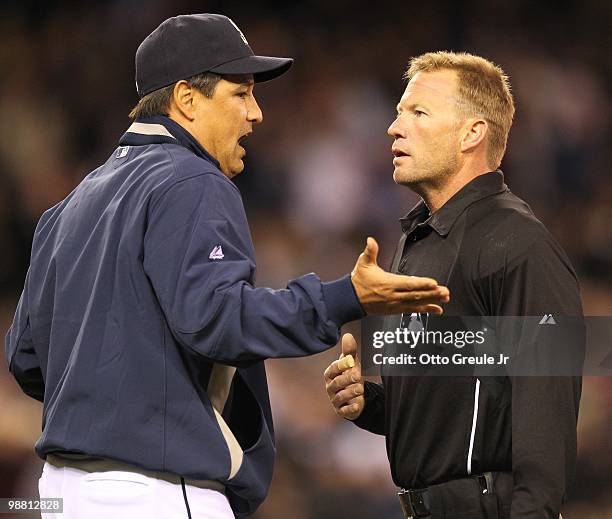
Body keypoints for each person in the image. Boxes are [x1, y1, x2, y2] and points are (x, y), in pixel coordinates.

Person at [4, 15, 451, 519]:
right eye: (240, 94)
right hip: (157, 491)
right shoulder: (191, 179)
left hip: (64, 494)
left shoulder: (67, 207)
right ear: (186, 100)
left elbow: (26, 358)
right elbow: (217, 320)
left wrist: (114, 398)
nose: (256, 113)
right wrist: (346, 296)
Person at [324, 51, 583, 519]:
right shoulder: (417, 240)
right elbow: (465, 408)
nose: (394, 127)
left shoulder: (517, 241)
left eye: (417, 112)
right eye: (399, 111)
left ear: (472, 133)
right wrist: (371, 404)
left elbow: (547, 409)